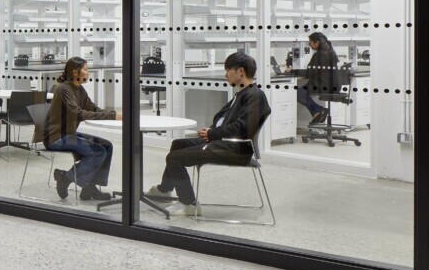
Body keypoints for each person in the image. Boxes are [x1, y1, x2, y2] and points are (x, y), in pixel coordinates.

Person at [146, 52, 271, 216]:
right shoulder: (243, 94)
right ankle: (164, 190)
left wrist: (213, 133)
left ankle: (189, 205)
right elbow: (227, 121)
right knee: (178, 144)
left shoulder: (254, 96)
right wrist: (210, 132)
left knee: (174, 158)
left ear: (241, 71)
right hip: (224, 142)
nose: (225, 74)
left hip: (235, 149)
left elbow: (243, 129)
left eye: (228, 70)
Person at [42, 57, 122, 201]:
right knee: (97, 152)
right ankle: (65, 178)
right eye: (86, 69)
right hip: (56, 137)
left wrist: (111, 114)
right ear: (75, 72)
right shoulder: (63, 89)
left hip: (68, 134)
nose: (88, 72)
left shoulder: (79, 89)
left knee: (106, 146)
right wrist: (109, 115)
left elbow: (91, 107)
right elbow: (78, 113)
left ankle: (89, 188)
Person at [295, 32, 338, 124]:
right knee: (303, 92)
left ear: (317, 43)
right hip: (333, 86)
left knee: (299, 93)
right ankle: (317, 113)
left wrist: (292, 71)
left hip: (322, 85)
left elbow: (308, 73)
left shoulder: (319, 55)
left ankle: (318, 110)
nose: (309, 45)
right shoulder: (331, 52)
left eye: (310, 43)